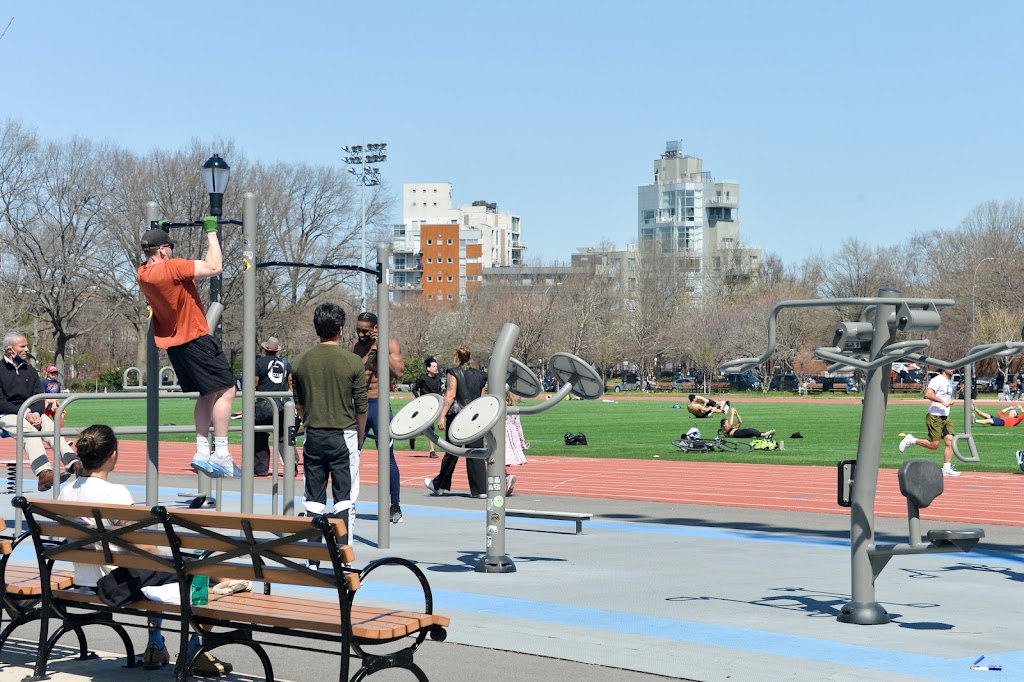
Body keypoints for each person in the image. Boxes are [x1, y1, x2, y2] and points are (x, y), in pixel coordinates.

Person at [59, 424, 232, 675]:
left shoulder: (65, 493)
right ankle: (196, 649)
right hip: (118, 581)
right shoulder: (114, 493)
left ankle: (156, 644)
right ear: (113, 456)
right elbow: (145, 546)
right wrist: (175, 559)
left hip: (88, 578)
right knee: (201, 573)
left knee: (157, 569)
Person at [137, 222, 239, 479]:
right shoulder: (171, 268)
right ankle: (222, 453)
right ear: (162, 250)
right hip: (195, 338)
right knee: (227, 390)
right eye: (169, 248)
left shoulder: (142, 274)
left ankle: (202, 451)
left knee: (206, 395)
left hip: (175, 345)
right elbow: (215, 266)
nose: (171, 252)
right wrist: (211, 233)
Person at [292, 303, 368, 545]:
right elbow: (362, 406)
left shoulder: (300, 361)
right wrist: (360, 437)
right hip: (343, 436)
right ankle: (344, 559)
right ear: (341, 328)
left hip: (313, 435)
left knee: (313, 500)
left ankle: (313, 560)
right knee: (345, 499)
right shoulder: (353, 361)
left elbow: (299, 404)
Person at [0, 332, 80, 491]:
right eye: (22, 346)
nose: (27, 349)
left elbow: (39, 397)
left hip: (31, 413)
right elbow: (1, 402)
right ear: (10, 350)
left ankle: (73, 463)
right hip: (8, 414)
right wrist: (25, 413)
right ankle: (44, 473)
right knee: (28, 429)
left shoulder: (30, 371)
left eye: (26, 346)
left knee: (50, 425)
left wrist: (36, 414)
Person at [352, 311, 405, 524]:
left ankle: (395, 506)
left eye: (364, 330)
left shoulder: (390, 344)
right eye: (358, 330)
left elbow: (399, 372)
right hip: (359, 405)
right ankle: (347, 503)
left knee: (387, 457)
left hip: (379, 405)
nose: (360, 334)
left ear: (375, 328)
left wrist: (381, 351)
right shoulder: (356, 347)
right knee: (351, 455)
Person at [424, 345, 487, 498]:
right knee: (475, 452)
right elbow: (482, 397)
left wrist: (441, 417)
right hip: (475, 416)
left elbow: (451, 396)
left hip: (457, 416)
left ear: (457, 357)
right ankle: (480, 489)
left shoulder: (453, 372)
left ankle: (440, 485)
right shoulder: (481, 375)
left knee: (452, 451)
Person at [898, 367, 960, 477]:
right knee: (934, 445)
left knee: (950, 441)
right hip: (934, 416)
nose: (953, 369)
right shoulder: (937, 380)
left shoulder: (948, 381)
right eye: (950, 367)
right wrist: (942, 402)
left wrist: (948, 402)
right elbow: (928, 394)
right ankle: (911, 440)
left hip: (945, 416)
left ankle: (946, 468)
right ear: (943, 369)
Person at [254, 336, 292, 476]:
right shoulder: (285, 363)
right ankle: (291, 465)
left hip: (264, 403)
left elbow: (254, 383)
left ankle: (261, 467)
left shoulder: (259, 363)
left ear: (265, 349)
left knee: (259, 434)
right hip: (282, 404)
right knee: (284, 436)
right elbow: (290, 383)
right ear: (277, 351)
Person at [411, 356, 442, 458]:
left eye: (436, 366)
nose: (435, 368)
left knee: (427, 430)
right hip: (425, 406)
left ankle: (414, 437)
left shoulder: (438, 379)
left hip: (435, 406)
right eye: (433, 366)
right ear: (428, 368)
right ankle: (432, 451)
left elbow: (439, 391)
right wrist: (419, 399)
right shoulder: (423, 379)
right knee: (430, 427)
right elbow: (414, 389)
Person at [504, 391, 529, 496]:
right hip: (512, 434)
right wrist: (522, 442)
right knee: (501, 459)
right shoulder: (513, 409)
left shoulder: (496, 406)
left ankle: (506, 477)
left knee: (494, 459)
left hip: (501, 433)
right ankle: (505, 479)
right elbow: (518, 426)